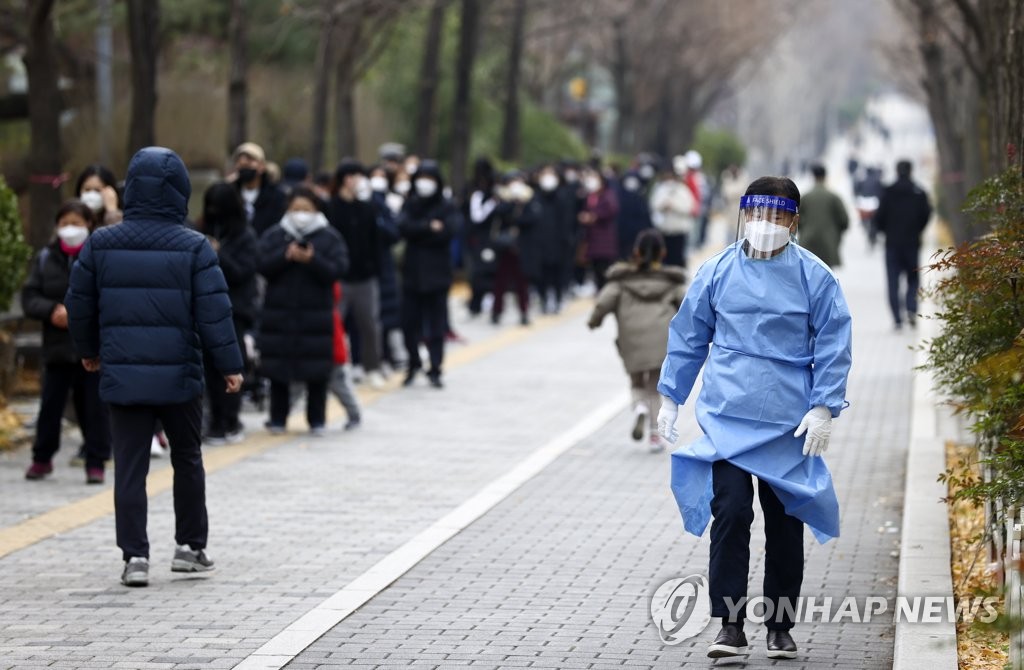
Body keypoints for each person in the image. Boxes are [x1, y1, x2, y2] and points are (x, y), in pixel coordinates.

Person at [656, 176, 852, 659]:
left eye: (778, 216)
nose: (767, 225)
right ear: (745, 214)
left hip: (788, 422)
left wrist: (824, 405)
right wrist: (670, 397)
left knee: (785, 522)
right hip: (727, 418)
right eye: (759, 214)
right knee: (732, 513)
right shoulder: (716, 271)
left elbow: (834, 342)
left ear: (794, 221)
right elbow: (688, 335)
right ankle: (730, 625)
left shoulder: (815, 277)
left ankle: (780, 626)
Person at [65, 146, 245, 587]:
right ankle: (189, 547)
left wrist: (88, 350)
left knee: (128, 464)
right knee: (186, 458)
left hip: (123, 374)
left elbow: (79, 304)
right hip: (179, 377)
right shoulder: (195, 247)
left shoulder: (101, 244)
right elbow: (214, 313)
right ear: (179, 191)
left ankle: (134, 557)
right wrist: (229, 365)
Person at [22, 200, 112, 484]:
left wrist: (81, 313)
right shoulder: (45, 258)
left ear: (89, 225)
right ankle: (42, 458)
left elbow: (110, 296)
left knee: (94, 409)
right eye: (65, 223)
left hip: (91, 349)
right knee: (50, 406)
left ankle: (96, 460)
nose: (70, 229)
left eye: (76, 223)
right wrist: (52, 311)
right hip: (57, 347)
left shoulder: (100, 257)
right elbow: (30, 297)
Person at [257, 187, 349, 435]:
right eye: (296, 209)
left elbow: (338, 269)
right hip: (279, 314)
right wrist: (284, 256)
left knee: (317, 371)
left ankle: (317, 420)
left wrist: (312, 260)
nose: (301, 214)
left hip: (316, 315)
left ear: (316, 210)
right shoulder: (275, 235)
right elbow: (262, 265)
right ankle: (277, 419)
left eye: (306, 210)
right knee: (278, 370)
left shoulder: (329, 237)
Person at [587, 229, 685, 452]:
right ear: (663, 253)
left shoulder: (621, 281)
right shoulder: (671, 281)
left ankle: (639, 406)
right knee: (654, 387)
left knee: (636, 382)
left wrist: (594, 322)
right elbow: (687, 306)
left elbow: (603, 303)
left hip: (630, 339)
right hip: (660, 339)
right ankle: (654, 436)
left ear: (635, 252)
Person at [196, 183, 259, 444]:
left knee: (232, 366)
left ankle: (231, 419)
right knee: (209, 368)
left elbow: (244, 273)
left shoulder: (245, 236)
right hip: (205, 308)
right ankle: (216, 420)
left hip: (235, 310)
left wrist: (219, 255)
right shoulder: (200, 231)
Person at [398, 160, 461, 388]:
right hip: (412, 273)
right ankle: (413, 362)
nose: (425, 184)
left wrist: (420, 230)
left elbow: (449, 231)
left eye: (430, 178)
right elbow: (402, 227)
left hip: (437, 274)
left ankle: (435, 367)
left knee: (436, 325)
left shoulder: (446, 205)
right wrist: (427, 227)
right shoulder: (411, 203)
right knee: (408, 323)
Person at [329, 159, 386, 388]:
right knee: (333, 324)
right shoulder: (330, 207)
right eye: (356, 176)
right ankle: (331, 369)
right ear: (346, 179)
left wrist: (376, 269)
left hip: (365, 277)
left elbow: (376, 242)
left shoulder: (369, 208)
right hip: (339, 277)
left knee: (370, 325)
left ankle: (372, 367)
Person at [874, 160, 931, 330]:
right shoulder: (919, 192)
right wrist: (917, 230)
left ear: (896, 171)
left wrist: (886, 230)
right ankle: (912, 309)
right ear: (911, 171)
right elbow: (926, 215)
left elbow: (879, 218)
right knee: (913, 278)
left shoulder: (888, 192)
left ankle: (897, 318)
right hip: (912, 242)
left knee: (893, 281)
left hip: (892, 243)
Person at [490, 171, 538, 326]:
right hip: (505, 248)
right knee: (500, 282)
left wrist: (520, 207)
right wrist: (511, 202)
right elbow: (498, 214)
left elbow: (532, 219)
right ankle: (496, 311)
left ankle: (524, 311)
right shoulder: (503, 199)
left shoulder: (530, 199)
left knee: (522, 283)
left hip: (522, 248)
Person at [531, 164, 573, 314]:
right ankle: (542, 299)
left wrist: (566, 239)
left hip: (558, 242)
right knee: (541, 273)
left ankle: (557, 299)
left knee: (557, 273)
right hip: (539, 242)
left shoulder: (562, 196)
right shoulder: (535, 196)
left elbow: (567, 221)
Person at [797, 164, 849, 269]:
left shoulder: (805, 197)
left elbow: (795, 220)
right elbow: (844, 221)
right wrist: (835, 234)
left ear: (813, 176)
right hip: (828, 244)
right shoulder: (834, 197)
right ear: (825, 176)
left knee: (809, 275)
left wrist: (804, 229)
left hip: (808, 242)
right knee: (826, 276)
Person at [230, 141, 287, 235]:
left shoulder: (277, 196)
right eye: (239, 162)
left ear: (262, 166)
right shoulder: (230, 194)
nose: (243, 163)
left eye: (250, 160)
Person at [577, 168, 619, 291]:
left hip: (604, 240)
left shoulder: (608, 195)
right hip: (591, 239)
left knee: (604, 270)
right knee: (595, 269)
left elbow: (611, 210)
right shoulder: (589, 196)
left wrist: (594, 216)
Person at [650, 160, 697, 268]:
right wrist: (664, 205)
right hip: (664, 231)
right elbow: (654, 204)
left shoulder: (684, 190)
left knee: (677, 261)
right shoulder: (662, 188)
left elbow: (689, 208)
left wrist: (674, 206)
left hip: (679, 232)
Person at [330, 282, 362, 430]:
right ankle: (278, 416)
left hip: (333, 350)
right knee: (296, 386)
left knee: (338, 383)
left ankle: (354, 413)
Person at [615, 169, 653, 261]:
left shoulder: (640, 198)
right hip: (622, 233)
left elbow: (645, 215)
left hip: (638, 234)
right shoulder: (619, 196)